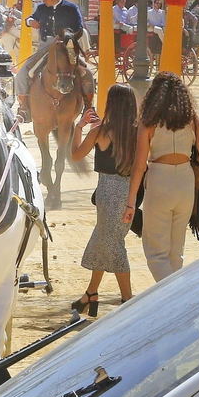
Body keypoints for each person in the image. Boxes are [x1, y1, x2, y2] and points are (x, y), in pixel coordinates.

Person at [128, 71, 199, 282]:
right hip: (185, 181)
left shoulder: (148, 123)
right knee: (176, 252)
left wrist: (130, 204)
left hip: (159, 180)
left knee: (156, 254)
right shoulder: (192, 119)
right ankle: (177, 297)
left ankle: (175, 298)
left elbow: (139, 166)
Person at [68, 84, 138, 313]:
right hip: (129, 190)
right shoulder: (138, 132)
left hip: (106, 190)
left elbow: (76, 156)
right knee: (106, 239)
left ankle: (127, 298)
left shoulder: (101, 131)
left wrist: (79, 127)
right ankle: (91, 293)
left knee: (112, 243)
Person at [14, 0, 84, 106]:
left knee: (85, 72)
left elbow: (79, 28)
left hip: (66, 47)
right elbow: (29, 19)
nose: (43, 1)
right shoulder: (42, 8)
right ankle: (24, 106)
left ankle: (88, 106)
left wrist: (68, 40)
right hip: (45, 46)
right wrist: (30, 22)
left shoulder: (71, 8)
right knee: (23, 73)